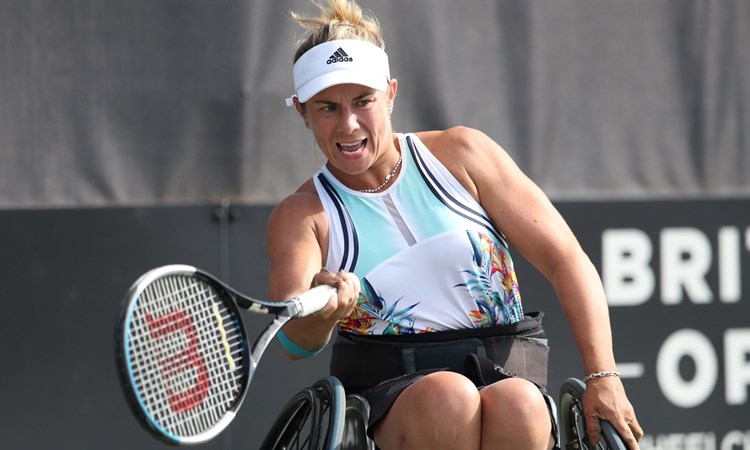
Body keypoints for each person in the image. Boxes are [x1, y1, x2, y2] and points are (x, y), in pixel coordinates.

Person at [266, 1, 644, 449]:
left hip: (509, 376)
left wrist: (604, 375)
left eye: (363, 101)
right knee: (449, 395)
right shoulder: (300, 216)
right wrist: (326, 314)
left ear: (390, 94)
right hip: (392, 397)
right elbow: (295, 338)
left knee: (520, 404)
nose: (348, 124)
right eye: (327, 108)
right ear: (303, 113)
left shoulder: (463, 154)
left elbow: (566, 260)